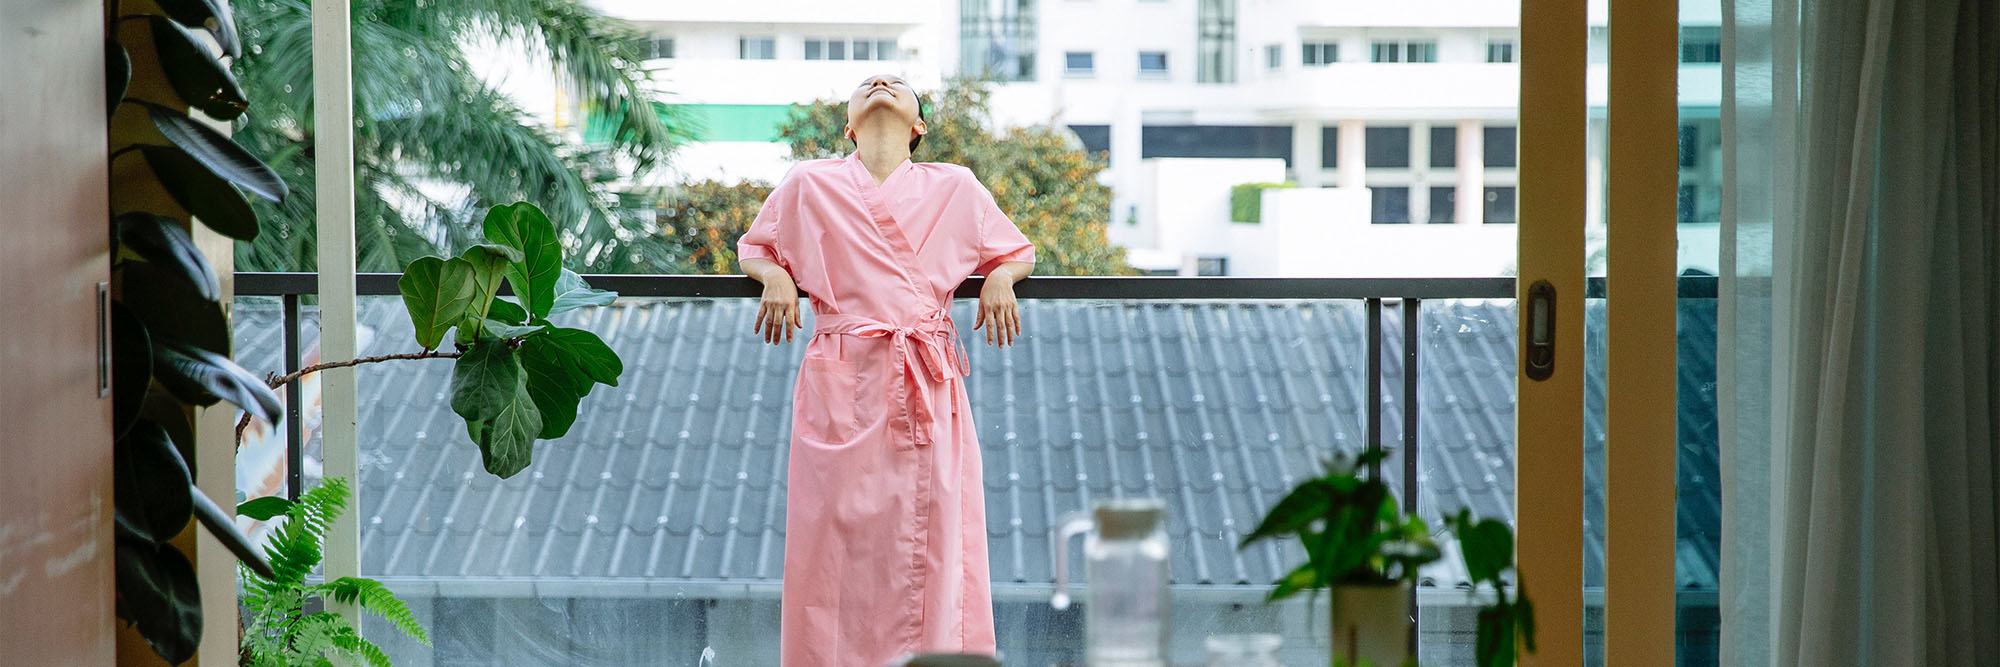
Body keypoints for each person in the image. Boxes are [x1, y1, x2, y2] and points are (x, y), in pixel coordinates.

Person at [737, 74, 1036, 666]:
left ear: (918, 125)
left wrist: (1000, 279)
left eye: (897, 84)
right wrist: (775, 279)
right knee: (830, 542)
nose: (880, 82)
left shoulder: (956, 185)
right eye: (867, 84)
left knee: (934, 538)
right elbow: (758, 246)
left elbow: (1014, 250)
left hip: (926, 377)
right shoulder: (808, 182)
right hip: (840, 374)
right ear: (849, 126)